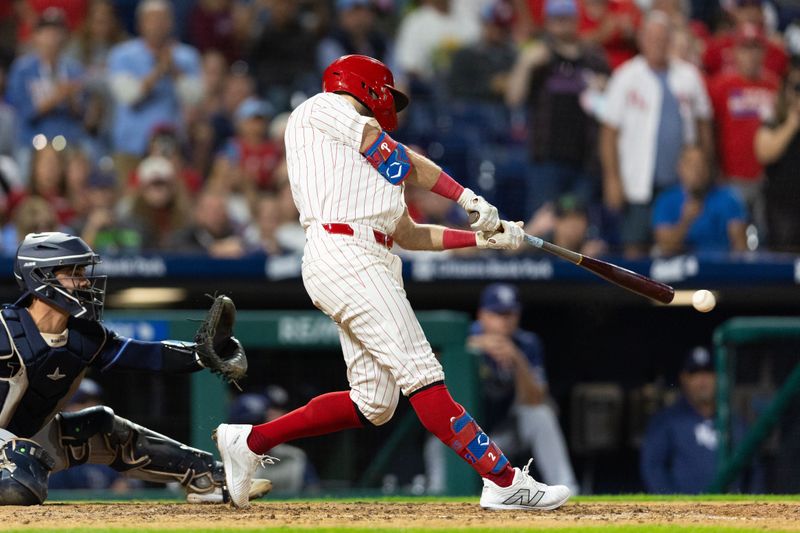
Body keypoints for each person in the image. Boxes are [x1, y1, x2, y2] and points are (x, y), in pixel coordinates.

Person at [214, 54, 570, 512]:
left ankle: (249, 441)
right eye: (386, 93)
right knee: (423, 375)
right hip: (346, 254)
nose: (390, 105)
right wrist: (466, 196)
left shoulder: (365, 165)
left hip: (369, 258)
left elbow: (408, 234)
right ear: (364, 85)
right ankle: (503, 480)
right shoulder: (321, 109)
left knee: (374, 403)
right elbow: (399, 159)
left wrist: (482, 238)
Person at [0, 232, 268, 505]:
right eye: (73, 272)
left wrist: (201, 355)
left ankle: (207, 478)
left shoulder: (84, 336)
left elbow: (142, 355)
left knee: (99, 426)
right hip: (8, 449)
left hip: (22, 442)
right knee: (19, 481)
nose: (84, 281)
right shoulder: (5, 331)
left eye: (82, 271)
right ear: (41, 276)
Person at [426, 284, 578, 494]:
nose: (505, 321)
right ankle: (437, 498)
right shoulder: (461, 338)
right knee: (438, 442)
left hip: (503, 436)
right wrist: (471, 348)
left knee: (542, 415)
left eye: (509, 314)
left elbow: (535, 399)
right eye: (498, 314)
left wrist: (517, 358)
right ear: (482, 315)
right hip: (465, 437)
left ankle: (568, 489)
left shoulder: (526, 344)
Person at [599, 10, 712, 258]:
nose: (657, 44)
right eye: (652, 38)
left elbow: (704, 124)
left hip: (679, 182)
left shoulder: (689, 76)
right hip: (637, 182)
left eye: (663, 38)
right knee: (634, 247)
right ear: (641, 40)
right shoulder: (626, 76)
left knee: (676, 248)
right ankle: (632, 298)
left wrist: (705, 168)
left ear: (671, 40)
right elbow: (608, 134)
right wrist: (612, 179)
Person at [506, 0, 610, 215]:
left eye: (566, 17)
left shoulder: (594, 58)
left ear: (576, 20)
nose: (562, 23)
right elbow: (513, 99)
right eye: (556, 18)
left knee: (579, 227)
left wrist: (606, 89)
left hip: (585, 161)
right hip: (547, 159)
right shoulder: (538, 56)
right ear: (547, 22)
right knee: (544, 229)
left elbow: (611, 109)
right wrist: (525, 64)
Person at [640, 347, 761, 494]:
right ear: (684, 378)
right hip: (684, 513)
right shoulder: (667, 421)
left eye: (708, 373)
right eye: (695, 374)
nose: (703, 381)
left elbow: (754, 472)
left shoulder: (736, 423)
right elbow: (653, 470)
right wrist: (675, 509)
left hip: (729, 512)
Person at [107, 0, 202, 181]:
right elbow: (128, 96)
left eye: (162, 19)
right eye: (152, 20)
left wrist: (174, 70)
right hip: (131, 147)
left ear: (171, 23)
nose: (158, 25)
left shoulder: (186, 56)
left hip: (172, 148)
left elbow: (195, 98)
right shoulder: (122, 55)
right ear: (140, 23)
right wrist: (159, 70)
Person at [707, 23, 780, 234]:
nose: (750, 55)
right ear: (735, 52)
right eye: (745, 48)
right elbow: (711, 130)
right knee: (733, 237)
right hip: (731, 178)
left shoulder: (773, 86)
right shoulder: (721, 86)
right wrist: (716, 169)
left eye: (755, 48)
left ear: (764, 52)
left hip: (767, 179)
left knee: (766, 235)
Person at [6, 8, 86, 176]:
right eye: (47, 32)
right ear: (36, 36)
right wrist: (57, 97)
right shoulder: (23, 70)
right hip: (32, 143)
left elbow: (83, 115)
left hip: (67, 141)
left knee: (84, 158)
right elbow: (23, 111)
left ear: (66, 37)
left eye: (58, 32)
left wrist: (71, 100)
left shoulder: (74, 70)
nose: (52, 37)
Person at [652, 146, 748, 255]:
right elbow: (665, 246)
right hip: (679, 266)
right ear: (680, 167)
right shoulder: (666, 200)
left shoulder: (729, 199)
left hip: (720, 267)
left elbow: (740, 247)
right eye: (691, 165)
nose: (698, 171)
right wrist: (686, 221)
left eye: (702, 165)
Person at [754, 60, 800, 251]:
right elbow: (764, 153)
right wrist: (793, 123)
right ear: (787, 91)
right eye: (797, 88)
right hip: (782, 210)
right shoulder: (775, 122)